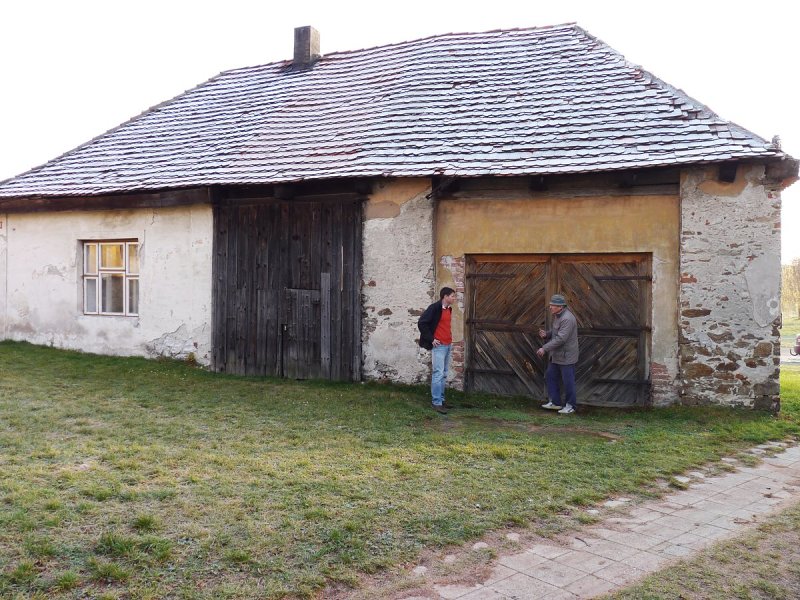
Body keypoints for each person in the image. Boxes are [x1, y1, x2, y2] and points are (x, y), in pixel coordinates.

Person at [537, 294, 579, 414]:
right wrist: (547, 334)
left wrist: (544, 348)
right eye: (550, 304)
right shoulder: (558, 316)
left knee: (568, 382)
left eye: (553, 305)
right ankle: (555, 403)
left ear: (560, 307)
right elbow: (557, 332)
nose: (550, 307)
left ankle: (570, 405)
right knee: (550, 375)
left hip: (566, 356)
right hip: (556, 355)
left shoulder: (567, 319)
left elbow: (561, 339)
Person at [418, 287, 457, 414]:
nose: (454, 298)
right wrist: (431, 339)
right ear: (445, 296)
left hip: (447, 345)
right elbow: (422, 323)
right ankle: (436, 402)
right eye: (452, 296)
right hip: (439, 346)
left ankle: (441, 400)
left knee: (444, 374)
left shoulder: (449, 309)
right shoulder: (434, 308)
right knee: (438, 373)